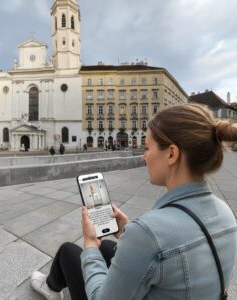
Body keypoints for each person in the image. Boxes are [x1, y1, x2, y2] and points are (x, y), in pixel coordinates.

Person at [30, 104, 237, 300]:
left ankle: (50, 287)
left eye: (147, 148)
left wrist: (91, 245)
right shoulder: (226, 213)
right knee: (109, 245)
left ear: (172, 154)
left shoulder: (148, 233)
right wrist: (127, 232)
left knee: (69, 251)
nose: (143, 157)